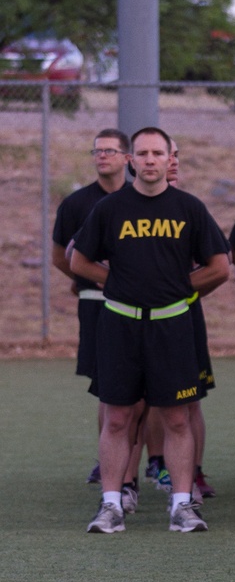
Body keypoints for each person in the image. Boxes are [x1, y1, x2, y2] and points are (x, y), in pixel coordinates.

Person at [70, 127, 230, 533]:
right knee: (119, 417)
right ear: (131, 160)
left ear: (168, 158)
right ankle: (111, 505)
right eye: (142, 153)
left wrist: (177, 287)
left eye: (158, 153)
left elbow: (219, 266)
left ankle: (181, 505)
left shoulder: (189, 208)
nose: (151, 160)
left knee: (177, 418)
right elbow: (79, 261)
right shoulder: (110, 208)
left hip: (172, 323)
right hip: (120, 324)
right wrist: (117, 282)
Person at [51, 128, 131, 484]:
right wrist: (99, 277)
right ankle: (109, 463)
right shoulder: (77, 204)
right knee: (107, 385)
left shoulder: (142, 199)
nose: (102, 157)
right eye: (97, 151)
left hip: (144, 306)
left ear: (127, 157)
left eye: (110, 151)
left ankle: (153, 461)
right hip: (98, 303)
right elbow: (61, 256)